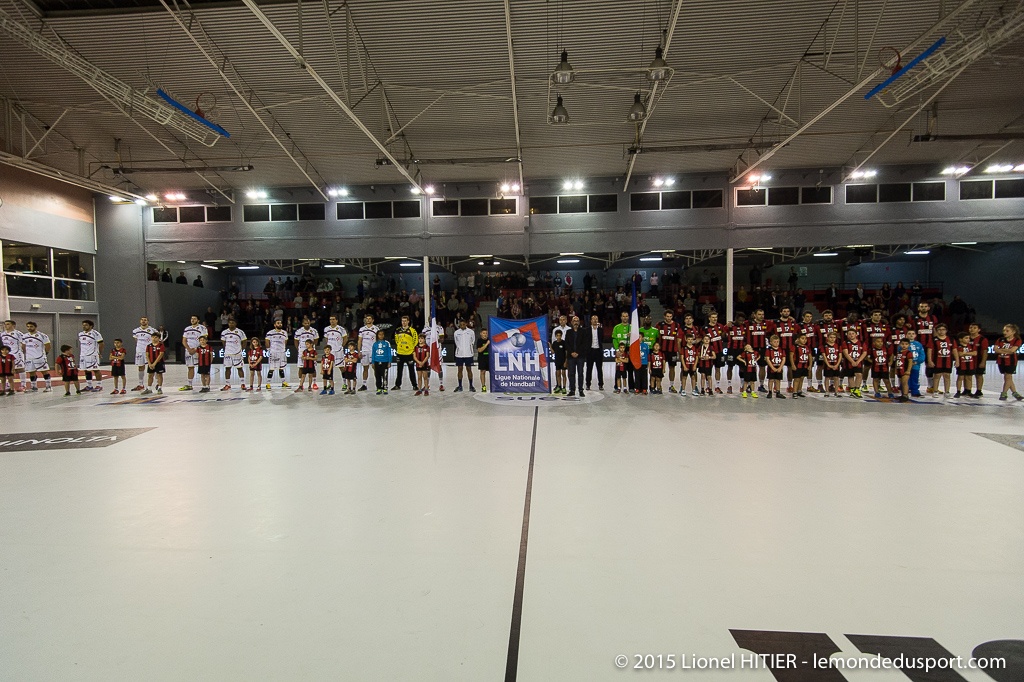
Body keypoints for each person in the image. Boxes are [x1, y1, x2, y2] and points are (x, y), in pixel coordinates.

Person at [992, 324, 1023, 401]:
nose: (1004, 332)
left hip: (1011, 362)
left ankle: (1004, 393)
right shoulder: (1000, 339)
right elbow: (995, 349)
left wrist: (1001, 350)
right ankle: (1014, 392)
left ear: (1013, 332)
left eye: (1007, 331)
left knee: (1008, 377)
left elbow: (1012, 350)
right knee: (1008, 377)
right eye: (1004, 330)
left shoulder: (1017, 340)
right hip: (1001, 361)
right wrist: (1007, 351)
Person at [21, 321, 52, 392]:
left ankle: (49, 387)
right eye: (28, 326)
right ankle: (34, 387)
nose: (29, 328)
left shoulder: (42, 335)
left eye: (31, 326)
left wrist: (45, 353)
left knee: (44, 371)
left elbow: (48, 346)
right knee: (31, 372)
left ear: (35, 327)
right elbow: (23, 346)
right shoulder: (25, 336)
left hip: (39, 357)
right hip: (29, 358)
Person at [656, 311, 682, 393]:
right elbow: (656, 337)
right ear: (664, 316)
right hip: (662, 351)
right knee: (659, 368)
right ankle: (659, 386)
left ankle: (671, 385)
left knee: (672, 368)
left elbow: (678, 339)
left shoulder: (677, 325)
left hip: (672, 351)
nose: (669, 318)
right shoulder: (659, 325)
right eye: (667, 316)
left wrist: (679, 351)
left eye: (670, 316)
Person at [180, 315, 209, 391]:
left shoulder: (202, 328)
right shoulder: (187, 329)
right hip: (188, 351)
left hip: (199, 351)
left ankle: (206, 385)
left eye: (194, 319)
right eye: (191, 318)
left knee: (203, 368)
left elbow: (204, 340)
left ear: (198, 320)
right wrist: (189, 349)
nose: (192, 320)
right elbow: (184, 340)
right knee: (190, 367)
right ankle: (190, 385)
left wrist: (196, 349)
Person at [392, 315, 419, 391]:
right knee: (399, 370)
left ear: (408, 321)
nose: (403, 322)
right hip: (400, 353)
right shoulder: (397, 330)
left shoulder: (412, 331)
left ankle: (414, 385)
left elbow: (415, 341)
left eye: (405, 321)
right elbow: (396, 340)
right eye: (402, 321)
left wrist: (411, 349)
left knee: (411, 370)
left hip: (409, 353)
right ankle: (397, 385)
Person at [220, 317, 247, 391]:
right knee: (227, 368)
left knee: (239, 368)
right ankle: (227, 384)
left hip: (237, 354)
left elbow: (244, 341)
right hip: (228, 354)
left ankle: (243, 384)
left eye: (232, 323)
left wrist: (241, 350)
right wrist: (227, 350)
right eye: (230, 323)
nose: (231, 324)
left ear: (235, 323)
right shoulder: (224, 332)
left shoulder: (240, 332)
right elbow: (223, 343)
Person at [293, 317, 320, 391]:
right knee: (301, 367)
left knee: (313, 368)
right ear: (302, 323)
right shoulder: (299, 331)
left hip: (311, 351)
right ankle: (301, 384)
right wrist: (298, 349)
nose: (307, 324)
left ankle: (314, 383)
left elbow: (316, 339)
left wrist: (312, 347)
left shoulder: (314, 331)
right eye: (305, 323)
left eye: (308, 323)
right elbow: (296, 340)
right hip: (302, 350)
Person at [703, 311, 727, 393]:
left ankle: (717, 386)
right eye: (713, 317)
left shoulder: (720, 326)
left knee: (718, 369)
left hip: (719, 351)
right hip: (709, 352)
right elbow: (703, 339)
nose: (714, 319)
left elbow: (724, 335)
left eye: (715, 317)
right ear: (709, 318)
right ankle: (708, 387)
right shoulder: (705, 328)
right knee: (708, 370)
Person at [77, 320, 104, 392]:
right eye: (83, 325)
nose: (84, 326)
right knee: (86, 370)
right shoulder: (80, 334)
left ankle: (99, 385)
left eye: (86, 325)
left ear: (91, 326)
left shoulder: (95, 334)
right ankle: (89, 385)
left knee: (96, 370)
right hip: (83, 355)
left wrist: (99, 353)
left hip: (93, 355)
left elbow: (101, 344)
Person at [564, 316, 588, 397]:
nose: (576, 322)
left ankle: (581, 390)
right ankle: (572, 390)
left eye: (577, 321)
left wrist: (577, 352)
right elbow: (566, 344)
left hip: (580, 356)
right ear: (571, 322)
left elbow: (584, 343)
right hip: (571, 356)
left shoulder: (583, 331)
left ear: (579, 322)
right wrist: (571, 352)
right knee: (571, 373)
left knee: (580, 373)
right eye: (574, 321)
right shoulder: (568, 332)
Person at [929, 323, 955, 396]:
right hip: (937, 361)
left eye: (943, 329)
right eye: (939, 330)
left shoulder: (951, 339)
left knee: (947, 376)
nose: (941, 331)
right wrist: (930, 360)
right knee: (937, 376)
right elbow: (929, 350)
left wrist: (957, 360)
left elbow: (954, 350)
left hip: (948, 361)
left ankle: (947, 392)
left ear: (946, 330)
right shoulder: (933, 340)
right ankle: (935, 391)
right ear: (936, 331)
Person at [611, 312, 634, 391]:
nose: (625, 318)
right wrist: (617, 350)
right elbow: (614, 339)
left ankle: (631, 387)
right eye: (623, 316)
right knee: (618, 369)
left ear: (628, 317)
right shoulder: (616, 327)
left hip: (629, 349)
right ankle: (617, 387)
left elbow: (636, 339)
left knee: (630, 369)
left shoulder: (632, 327)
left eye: (626, 316)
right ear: (621, 317)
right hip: (620, 350)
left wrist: (632, 336)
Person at [264, 319, 290, 389]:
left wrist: (283, 349)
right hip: (273, 352)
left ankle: (283, 382)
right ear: (275, 325)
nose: (280, 324)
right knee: (272, 368)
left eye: (280, 323)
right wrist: (269, 349)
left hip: (282, 352)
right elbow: (267, 341)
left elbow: (285, 342)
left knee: (281, 368)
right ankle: (268, 383)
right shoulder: (270, 333)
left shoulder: (284, 333)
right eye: (278, 323)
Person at [1, 321, 26, 393]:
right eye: (5, 324)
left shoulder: (18, 334)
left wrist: (23, 351)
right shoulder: (2, 334)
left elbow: (24, 344)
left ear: (13, 325)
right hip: (6, 355)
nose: (6, 326)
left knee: (21, 369)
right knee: (7, 370)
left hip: (17, 354)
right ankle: (9, 386)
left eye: (8, 324)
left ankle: (23, 385)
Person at [724, 316, 747, 394]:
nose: (741, 322)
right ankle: (729, 385)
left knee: (742, 367)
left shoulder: (744, 326)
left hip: (741, 350)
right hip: (731, 350)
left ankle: (742, 386)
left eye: (742, 320)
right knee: (730, 367)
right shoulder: (730, 326)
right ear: (736, 319)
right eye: (740, 320)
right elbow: (723, 333)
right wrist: (728, 325)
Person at [841, 329, 866, 398]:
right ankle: (852, 391)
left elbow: (864, 352)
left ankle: (857, 389)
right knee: (850, 376)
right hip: (848, 362)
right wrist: (852, 361)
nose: (851, 335)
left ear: (856, 334)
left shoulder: (861, 342)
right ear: (847, 335)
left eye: (853, 333)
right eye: (849, 334)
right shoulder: (845, 343)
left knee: (859, 375)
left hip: (858, 362)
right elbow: (845, 353)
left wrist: (858, 361)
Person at [453, 319, 476, 392]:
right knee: (460, 369)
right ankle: (460, 386)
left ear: (466, 324)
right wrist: (459, 349)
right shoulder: (456, 332)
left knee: (469, 369)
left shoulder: (471, 332)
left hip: (468, 354)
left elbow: (473, 341)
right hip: (459, 354)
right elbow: (456, 342)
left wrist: (469, 348)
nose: (462, 326)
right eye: (461, 325)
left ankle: (471, 386)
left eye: (463, 324)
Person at [358, 315, 379, 391]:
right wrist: (359, 351)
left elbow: (378, 340)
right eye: (367, 319)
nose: (368, 320)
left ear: (373, 320)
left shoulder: (376, 329)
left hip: (373, 351)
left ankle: (378, 384)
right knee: (365, 368)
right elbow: (360, 340)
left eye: (370, 319)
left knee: (375, 367)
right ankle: (364, 384)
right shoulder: (362, 329)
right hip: (364, 351)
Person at [953, 331, 977, 399]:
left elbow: (975, 353)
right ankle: (958, 391)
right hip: (962, 364)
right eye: (966, 338)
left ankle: (968, 391)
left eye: (969, 338)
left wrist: (965, 353)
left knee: (969, 378)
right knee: (960, 377)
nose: (968, 339)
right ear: (960, 339)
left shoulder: (971, 345)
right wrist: (969, 353)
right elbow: (959, 354)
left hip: (970, 364)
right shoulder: (958, 346)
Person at [584, 314, 605, 391]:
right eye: (593, 319)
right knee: (589, 369)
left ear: (598, 320)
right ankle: (588, 384)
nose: (595, 320)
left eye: (596, 319)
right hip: (590, 351)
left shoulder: (601, 330)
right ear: (591, 321)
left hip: (598, 351)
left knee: (599, 369)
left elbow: (602, 339)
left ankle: (601, 384)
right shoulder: (587, 330)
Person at [967, 323, 988, 398]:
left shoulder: (982, 339)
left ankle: (979, 390)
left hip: (978, 360)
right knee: (967, 375)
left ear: (979, 330)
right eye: (971, 327)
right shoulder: (966, 338)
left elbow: (985, 351)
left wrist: (983, 362)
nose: (972, 329)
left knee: (979, 375)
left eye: (974, 328)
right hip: (968, 360)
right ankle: (967, 390)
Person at [821, 331, 843, 397]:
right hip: (828, 364)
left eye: (834, 337)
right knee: (827, 377)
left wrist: (837, 364)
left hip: (836, 364)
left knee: (836, 377)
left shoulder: (838, 346)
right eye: (831, 337)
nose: (832, 339)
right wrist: (828, 364)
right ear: (827, 338)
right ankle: (827, 391)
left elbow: (840, 356)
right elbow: (824, 356)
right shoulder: (824, 346)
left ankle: (836, 392)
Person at [764, 335, 786, 399]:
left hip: (779, 366)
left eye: (777, 342)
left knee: (778, 380)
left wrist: (780, 367)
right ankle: (770, 392)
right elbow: (767, 359)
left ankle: (778, 392)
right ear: (771, 342)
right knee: (771, 379)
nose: (776, 343)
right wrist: (772, 367)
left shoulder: (781, 349)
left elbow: (783, 359)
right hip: (771, 367)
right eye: (774, 342)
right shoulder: (769, 350)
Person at [790, 333, 812, 398]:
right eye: (802, 338)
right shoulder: (794, 347)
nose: (804, 340)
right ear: (798, 339)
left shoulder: (807, 347)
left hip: (804, 365)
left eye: (805, 339)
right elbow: (791, 356)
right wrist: (793, 365)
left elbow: (810, 356)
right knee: (796, 379)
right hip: (797, 365)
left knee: (802, 378)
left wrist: (810, 365)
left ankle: (799, 390)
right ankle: (794, 392)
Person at [906, 328, 926, 398]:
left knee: (915, 378)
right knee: (906, 378)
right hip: (906, 365)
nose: (911, 335)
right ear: (906, 335)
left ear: (915, 335)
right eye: (909, 334)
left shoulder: (918, 344)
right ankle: (905, 391)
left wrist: (917, 361)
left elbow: (922, 355)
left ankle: (915, 391)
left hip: (916, 365)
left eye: (913, 334)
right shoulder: (903, 343)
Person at [371, 330, 393, 395]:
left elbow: (389, 353)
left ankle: (385, 388)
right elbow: (373, 353)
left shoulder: (387, 343)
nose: (381, 336)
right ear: (377, 335)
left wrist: (389, 362)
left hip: (385, 362)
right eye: (379, 334)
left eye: (382, 334)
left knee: (385, 376)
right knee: (377, 376)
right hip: (377, 362)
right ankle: (379, 388)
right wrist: (373, 362)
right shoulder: (375, 344)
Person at [893, 337, 914, 403]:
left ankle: (905, 395)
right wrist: (896, 369)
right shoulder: (898, 353)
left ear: (909, 345)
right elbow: (897, 361)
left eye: (906, 344)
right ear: (900, 344)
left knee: (905, 382)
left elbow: (910, 362)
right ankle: (902, 394)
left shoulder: (908, 353)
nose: (904, 345)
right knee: (902, 383)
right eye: (902, 344)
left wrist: (908, 370)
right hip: (900, 369)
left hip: (905, 370)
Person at [552, 330, 567, 394]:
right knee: (558, 374)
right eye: (557, 336)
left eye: (560, 335)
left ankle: (564, 387)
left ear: (561, 336)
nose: (558, 337)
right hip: (557, 361)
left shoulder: (564, 343)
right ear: (555, 336)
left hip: (563, 361)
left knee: (563, 374)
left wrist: (566, 361)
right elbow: (553, 352)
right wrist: (550, 346)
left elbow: (566, 352)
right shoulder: (554, 343)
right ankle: (559, 386)